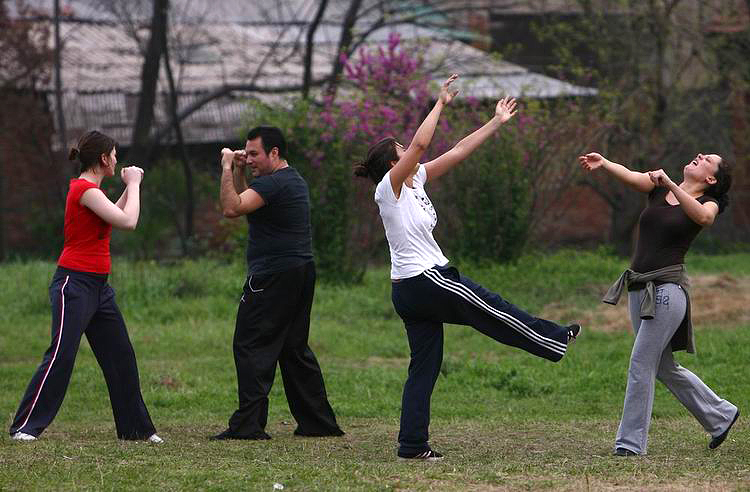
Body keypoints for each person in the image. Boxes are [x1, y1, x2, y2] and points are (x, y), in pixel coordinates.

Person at [354, 74, 581, 461]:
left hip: (410, 289)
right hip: (425, 280)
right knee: (489, 306)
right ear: (394, 162)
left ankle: (411, 445)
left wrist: (495, 122)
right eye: (402, 149)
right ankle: (553, 338)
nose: (412, 151)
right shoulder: (388, 188)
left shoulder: (416, 180)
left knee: (424, 367)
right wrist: (440, 103)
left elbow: (458, 151)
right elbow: (423, 142)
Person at [580, 151, 739, 456]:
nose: (699, 155)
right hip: (639, 288)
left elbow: (704, 219)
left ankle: (629, 444)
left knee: (640, 363)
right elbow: (632, 175)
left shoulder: (708, 203)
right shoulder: (659, 188)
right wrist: (606, 164)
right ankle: (721, 415)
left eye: (708, 159)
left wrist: (671, 184)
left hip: (667, 292)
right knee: (663, 367)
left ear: (711, 179)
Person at [9, 130, 162, 443]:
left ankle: (135, 430)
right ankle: (25, 427)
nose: (118, 160)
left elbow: (116, 215)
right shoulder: (84, 189)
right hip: (73, 284)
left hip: (98, 289)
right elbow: (129, 222)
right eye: (115, 155)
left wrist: (127, 189)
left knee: (120, 355)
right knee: (61, 355)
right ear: (104, 159)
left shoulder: (93, 193)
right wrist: (133, 184)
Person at [213, 126, 344, 440]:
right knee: (293, 348)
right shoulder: (290, 180)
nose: (250, 158)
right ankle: (318, 422)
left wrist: (228, 167)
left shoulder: (275, 183)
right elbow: (247, 202)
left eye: (255, 153)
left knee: (250, 344)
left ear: (274, 153)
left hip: (272, 277)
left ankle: (248, 425)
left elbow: (231, 207)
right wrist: (243, 172)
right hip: (298, 272)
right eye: (247, 153)